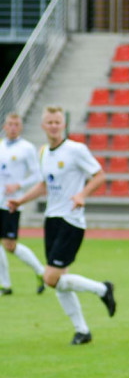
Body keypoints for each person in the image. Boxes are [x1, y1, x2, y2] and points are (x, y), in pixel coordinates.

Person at [6, 107, 116, 344]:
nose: (54, 126)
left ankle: (103, 289)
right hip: (52, 220)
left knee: (50, 278)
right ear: (43, 126)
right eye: (50, 122)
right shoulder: (43, 151)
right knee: (59, 281)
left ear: (62, 125)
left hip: (71, 221)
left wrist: (82, 195)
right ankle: (82, 331)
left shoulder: (76, 150)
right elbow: (44, 185)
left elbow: (100, 175)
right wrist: (21, 200)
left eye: (57, 122)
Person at [0, 113, 46, 295]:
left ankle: (41, 272)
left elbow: (37, 176)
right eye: (10, 124)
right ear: (4, 126)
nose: (12, 127)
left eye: (16, 124)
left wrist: (19, 185)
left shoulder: (26, 148)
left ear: (20, 127)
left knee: (10, 245)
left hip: (13, 203)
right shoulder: (1, 146)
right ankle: (5, 284)